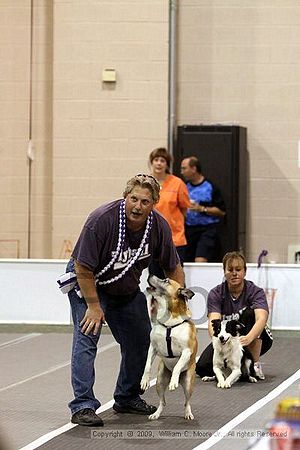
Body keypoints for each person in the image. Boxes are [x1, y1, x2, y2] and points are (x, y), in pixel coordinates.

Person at [63, 174, 185, 427]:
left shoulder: (158, 227)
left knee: (141, 338)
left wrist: (177, 305)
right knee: (87, 337)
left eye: (145, 201)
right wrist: (94, 307)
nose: (138, 206)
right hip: (89, 284)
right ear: (125, 197)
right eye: (133, 199)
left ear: (154, 204)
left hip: (126, 289)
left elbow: (173, 268)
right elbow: (83, 267)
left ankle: (128, 396)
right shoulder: (101, 220)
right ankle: (83, 405)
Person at [195, 251, 273, 380]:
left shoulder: (256, 291)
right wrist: (217, 342)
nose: (234, 273)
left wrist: (248, 338)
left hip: (254, 335)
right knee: (202, 368)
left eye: (238, 269)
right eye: (230, 270)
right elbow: (213, 321)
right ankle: (233, 367)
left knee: (249, 313)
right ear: (224, 271)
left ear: (245, 271)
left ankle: (255, 365)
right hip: (229, 337)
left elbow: (261, 318)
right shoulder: (216, 293)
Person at [148, 147, 190, 277]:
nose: (159, 163)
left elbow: (184, 208)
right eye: (156, 160)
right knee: (155, 280)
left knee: (175, 281)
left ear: (167, 164)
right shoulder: (146, 182)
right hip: (153, 240)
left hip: (175, 240)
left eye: (162, 160)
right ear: (151, 162)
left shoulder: (177, 183)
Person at [180, 156, 226, 262]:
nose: (182, 172)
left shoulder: (210, 187)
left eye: (184, 168)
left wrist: (202, 209)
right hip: (189, 230)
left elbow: (221, 212)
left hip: (207, 230)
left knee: (200, 259)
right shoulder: (184, 187)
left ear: (194, 169)